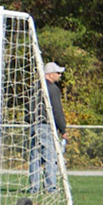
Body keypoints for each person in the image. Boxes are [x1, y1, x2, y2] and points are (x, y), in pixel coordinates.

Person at [31, 61, 68, 192]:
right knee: (50, 157)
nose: (59, 75)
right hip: (46, 126)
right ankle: (50, 186)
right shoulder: (52, 89)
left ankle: (34, 187)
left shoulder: (35, 87)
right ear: (50, 74)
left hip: (33, 125)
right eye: (58, 73)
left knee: (35, 157)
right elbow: (57, 110)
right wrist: (63, 129)